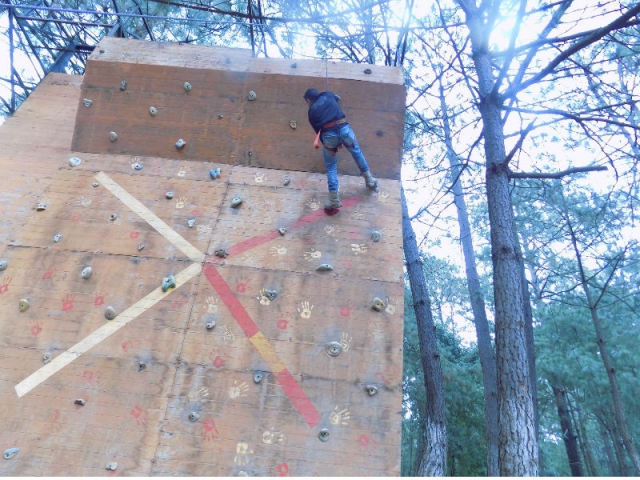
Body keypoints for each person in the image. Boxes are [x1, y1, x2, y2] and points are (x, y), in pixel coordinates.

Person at [303, 87, 378, 210]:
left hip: (329, 135)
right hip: (344, 128)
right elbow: (336, 97)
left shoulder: (311, 111)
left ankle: (334, 200)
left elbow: (318, 131)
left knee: (331, 166)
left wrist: (329, 147)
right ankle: (369, 179)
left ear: (308, 100)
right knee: (357, 153)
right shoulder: (327, 94)